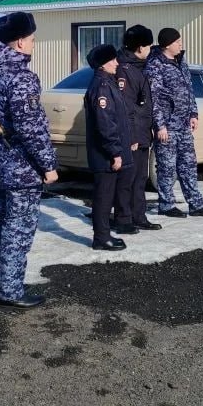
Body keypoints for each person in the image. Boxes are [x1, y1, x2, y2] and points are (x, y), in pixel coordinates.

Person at [0, 11, 59, 309]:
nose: (34, 44)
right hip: (21, 167)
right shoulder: (21, 77)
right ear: (20, 42)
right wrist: (48, 165)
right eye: (32, 39)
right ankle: (11, 291)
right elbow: (30, 128)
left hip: (0, 163)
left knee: (1, 223)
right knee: (19, 228)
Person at [145, 27, 203, 218]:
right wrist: (160, 125)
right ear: (167, 45)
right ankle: (166, 205)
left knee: (189, 165)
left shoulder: (180, 62)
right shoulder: (155, 65)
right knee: (167, 168)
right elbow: (153, 98)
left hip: (184, 125)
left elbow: (189, 90)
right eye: (177, 42)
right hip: (167, 127)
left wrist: (193, 113)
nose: (181, 45)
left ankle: (196, 204)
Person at [85, 43, 132, 251]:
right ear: (102, 64)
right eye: (112, 60)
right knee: (103, 197)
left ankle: (104, 235)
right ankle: (101, 238)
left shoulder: (107, 83)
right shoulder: (102, 87)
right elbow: (105, 123)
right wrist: (115, 152)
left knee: (107, 195)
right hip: (104, 154)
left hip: (108, 151)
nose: (117, 63)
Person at [116, 24, 162, 232]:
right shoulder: (125, 70)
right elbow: (126, 108)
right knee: (128, 179)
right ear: (140, 47)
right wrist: (132, 136)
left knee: (140, 178)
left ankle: (138, 216)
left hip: (143, 132)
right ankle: (124, 219)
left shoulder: (139, 68)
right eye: (148, 46)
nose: (151, 49)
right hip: (132, 135)